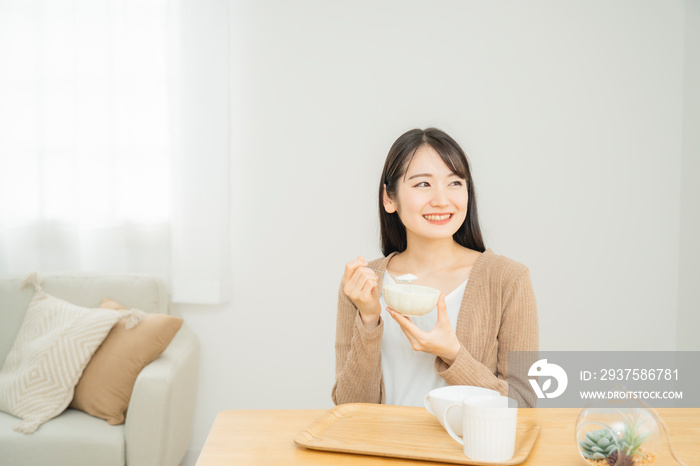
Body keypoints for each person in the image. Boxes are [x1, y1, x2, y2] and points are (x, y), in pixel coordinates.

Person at [331, 127, 538, 408]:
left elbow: (523, 406)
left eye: (454, 183)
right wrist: (368, 319)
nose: (442, 200)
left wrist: (453, 354)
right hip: (383, 451)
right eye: (423, 184)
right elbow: (349, 409)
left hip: (462, 452)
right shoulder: (363, 284)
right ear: (389, 199)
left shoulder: (507, 279)